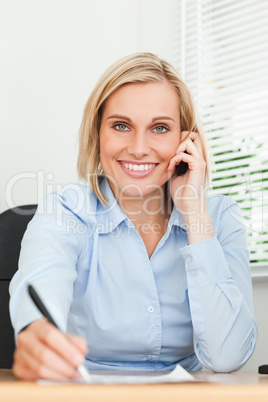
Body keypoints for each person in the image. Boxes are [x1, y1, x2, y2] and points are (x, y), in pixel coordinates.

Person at [9, 52, 257, 380]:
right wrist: (38, 336)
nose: (139, 148)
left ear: (186, 140)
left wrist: (194, 212)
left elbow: (228, 357)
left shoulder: (220, 217)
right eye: (121, 126)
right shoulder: (64, 211)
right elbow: (41, 289)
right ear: (98, 134)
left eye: (159, 127)